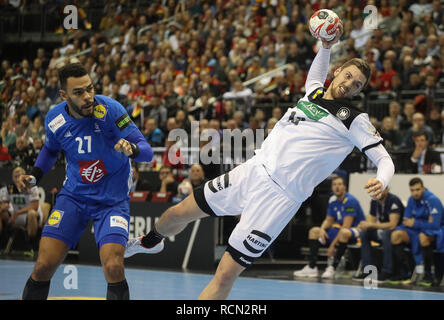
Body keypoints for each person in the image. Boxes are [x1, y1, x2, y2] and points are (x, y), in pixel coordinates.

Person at [125, 24, 395, 300]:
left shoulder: (353, 118)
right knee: (177, 213)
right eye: (348, 75)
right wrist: (325, 46)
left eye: (357, 84)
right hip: (252, 172)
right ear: (337, 71)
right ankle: (149, 243)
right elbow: (316, 74)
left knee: (225, 274)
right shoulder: (312, 93)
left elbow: (384, 159)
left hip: (280, 199)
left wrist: (382, 180)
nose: (349, 83)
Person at [17, 63, 153, 300]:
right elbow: (50, 150)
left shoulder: (111, 110)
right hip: (74, 197)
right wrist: (35, 175)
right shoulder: (55, 118)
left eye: (90, 89)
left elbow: (147, 151)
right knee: (42, 266)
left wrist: (131, 148)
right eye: (79, 92)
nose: (88, 96)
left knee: (113, 267)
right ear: (64, 95)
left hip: (112, 200)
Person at [293, 175, 366, 279]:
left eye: (340, 184)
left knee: (344, 232)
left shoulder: (350, 201)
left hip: (357, 231)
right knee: (314, 231)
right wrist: (322, 229)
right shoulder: (332, 200)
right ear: (332, 187)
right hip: (340, 230)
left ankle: (332, 268)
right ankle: (312, 267)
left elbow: (346, 225)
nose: (337, 187)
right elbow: (328, 220)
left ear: (345, 187)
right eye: (334, 185)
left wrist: (332, 245)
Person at [389, 178, 444, 286]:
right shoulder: (411, 200)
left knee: (423, 237)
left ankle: (428, 275)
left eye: (417, 189)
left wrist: (415, 223)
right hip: (416, 231)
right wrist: (422, 222)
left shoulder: (433, 200)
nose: (415, 193)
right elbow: (406, 221)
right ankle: (405, 273)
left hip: (435, 232)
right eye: (412, 190)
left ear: (423, 188)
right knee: (396, 235)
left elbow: (435, 225)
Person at [352, 188, 404, 283]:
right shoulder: (374, 201)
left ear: (387, 190)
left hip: (396, 232)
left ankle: (387, 271)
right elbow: (372, 222)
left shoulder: (393, 200)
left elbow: (393, 224)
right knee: (364, 234)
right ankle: (367, 270)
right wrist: (364, 225)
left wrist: (371, 225)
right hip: (383, 230)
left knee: (386, 233)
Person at [0, 167, 43, 253]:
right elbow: (4, 203)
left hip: (32, 215)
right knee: (2, 213)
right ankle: (3, 242)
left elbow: (34, 206)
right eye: (15, 176)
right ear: (12, 178)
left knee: (31, 214)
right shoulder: (8, 189)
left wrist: (17, 213)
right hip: (16, 216)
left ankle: (31, 246)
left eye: (19, 176)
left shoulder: (32, 187)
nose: (17, 179)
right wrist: (3, 206)